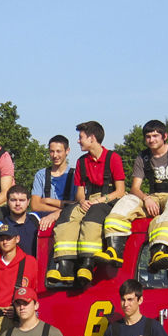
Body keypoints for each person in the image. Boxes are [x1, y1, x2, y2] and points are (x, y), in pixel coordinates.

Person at [100, 120, 168, 273]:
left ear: (165, 136)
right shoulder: (142, 158)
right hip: (154, 198)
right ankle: (114, 249)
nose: (151, 140)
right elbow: (135, 188)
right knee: (127, 199)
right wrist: (146, 198)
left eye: (155, 136)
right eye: (148, 136)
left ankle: (160, 250)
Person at [46, 122, 125, 287]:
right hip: (88, 200)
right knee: (66, 216)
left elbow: (120, 191)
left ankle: (87, 264)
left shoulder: (113, 158)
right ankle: (65, 266)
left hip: (109, 200)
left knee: (93, 216)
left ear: (92, 138)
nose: (78, 141)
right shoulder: (82, 162)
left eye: (81, 137)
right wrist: (82, 201)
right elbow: (80, 192)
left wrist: (99, 200)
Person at [0, 185, 42, 269]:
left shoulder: (37, 218)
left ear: (28, 202)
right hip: (11, 279)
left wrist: (52, 216)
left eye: (22, 200)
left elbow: (61, 213)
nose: (17, 204)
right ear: (7, 201)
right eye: (13, 200)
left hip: (35, 276)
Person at [30, 135, 75, 218]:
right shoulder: (41, 175)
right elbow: (35, 205)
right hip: (44, 218)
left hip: (68, 218)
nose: (55, 155)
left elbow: (78, 204)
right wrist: (59, 210)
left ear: (67, 151)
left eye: (58, 151)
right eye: (52, 151)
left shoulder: (75, 175)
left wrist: (48, 201)